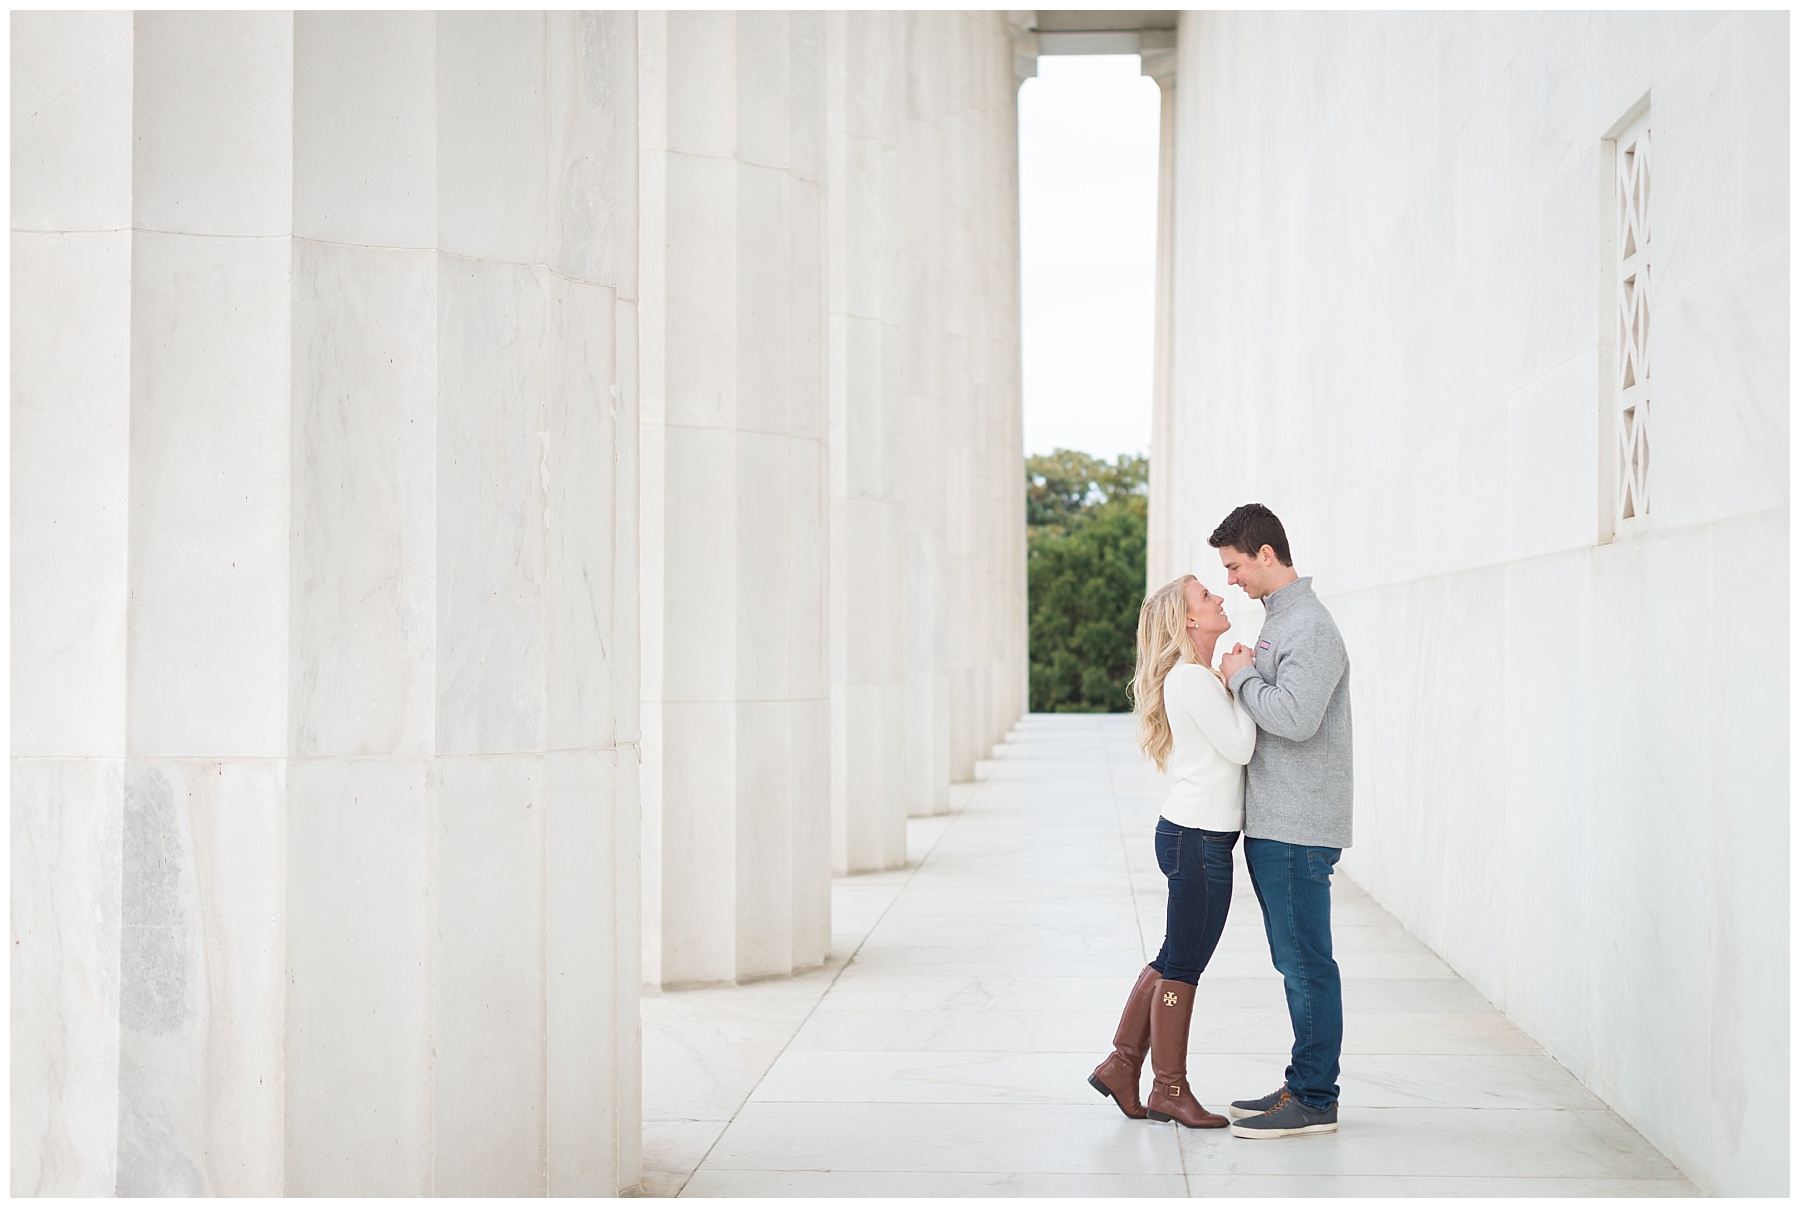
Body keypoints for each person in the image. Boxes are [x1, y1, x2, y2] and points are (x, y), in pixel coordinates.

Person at [1089, 573, 1254, 1128]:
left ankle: (1121, 1064)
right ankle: (1168, 1089)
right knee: (1183, 964)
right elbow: (1240, 746)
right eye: (1206, 597)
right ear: (1188, 620)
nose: (1219, 598)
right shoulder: (1194, 680)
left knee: (1173, 957)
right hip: (1197, 839)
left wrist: (1230, 682)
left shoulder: (1197, 679)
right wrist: (1244, 679)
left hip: (1197, 836)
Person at [1211, 503, 1352, 1139]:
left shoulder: (1309, 627)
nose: (1232, 580)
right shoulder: (1281, 622)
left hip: (1297, 828)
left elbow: (1296, 719)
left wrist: (1240, 677)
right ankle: (1302, 1083)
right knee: (1293, 961)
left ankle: (1316, 1099)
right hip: (1276, 823)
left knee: (1306, 965)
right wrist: (1248, 670)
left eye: (1236, 566)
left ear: (1267, 554)